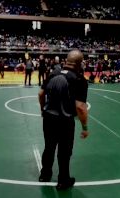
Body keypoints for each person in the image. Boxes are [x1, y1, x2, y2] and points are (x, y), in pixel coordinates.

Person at [38, 50, 89, 190]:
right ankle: (63, 180)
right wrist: (85, 128)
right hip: (65, 121)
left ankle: (45, 174)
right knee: (64, 152)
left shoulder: (53, 74)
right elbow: (80, 107)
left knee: (49, 147)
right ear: (79, 63)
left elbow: (41, 94)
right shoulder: (79, 80)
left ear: (66, 61)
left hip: (48, 119)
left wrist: (43, 110)